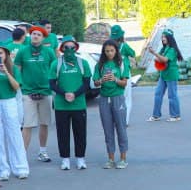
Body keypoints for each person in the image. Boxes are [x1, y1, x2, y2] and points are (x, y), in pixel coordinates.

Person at [0, 44, 29, 181]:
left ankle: (20, 168)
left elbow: (16, 87)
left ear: (6, 55)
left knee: (14, 133)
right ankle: (2, 169)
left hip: (9, 101)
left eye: (1, 53)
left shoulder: (13, 68)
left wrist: (6, 72)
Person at [16, 26, 57, 160]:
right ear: (30, 35)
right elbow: (17, 71)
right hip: (28, 93)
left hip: (46, 92)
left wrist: (52, 87)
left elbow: (54, 70)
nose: (35, 36)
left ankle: (42, 151)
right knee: (27, 124)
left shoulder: (49, 52)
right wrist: (21, 86)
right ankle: (22, 155)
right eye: (33, 34)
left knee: (44, 123)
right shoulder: (22, 51)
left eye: (39, 34)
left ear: (43, 37)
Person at [52, 36, 92, 170]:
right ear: (62, 48)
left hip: (78, 104)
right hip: (61, 105)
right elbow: (52, 83)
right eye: (66, 47)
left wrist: (75, 94)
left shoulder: (82, 63)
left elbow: (87, 83)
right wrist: (65, 94)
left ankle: (80, 158)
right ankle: (65, 159)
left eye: (72, 47)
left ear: (76, 48)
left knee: (80, 132)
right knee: (62, 133)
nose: (69, 50)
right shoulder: (56, 63)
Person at [94, 40, 131, 168]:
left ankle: (123, 158)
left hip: (118, 98)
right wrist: (101, 80)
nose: (109, 53)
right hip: (104, 99)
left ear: (116, 50)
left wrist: (115, 79)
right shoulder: (100, 65)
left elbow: (124, 83)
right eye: (107, 51)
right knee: (107, 129)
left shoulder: (121, 63)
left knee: (121, 128)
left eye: (112, 50)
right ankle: (110, 159)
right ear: (104, 52)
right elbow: (95, 83)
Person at [146, 28, 184, 122]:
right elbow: (158, 59)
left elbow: (164, 60)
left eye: (165, 37)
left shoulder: (172, 49)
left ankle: (175, 116)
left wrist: (155, 54)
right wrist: (158, 57)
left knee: (172, 95)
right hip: (163, 75)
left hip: (171, 75)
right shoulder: (163, 48)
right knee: (158, 94)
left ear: (170, 38)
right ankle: (156, 115)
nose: (163, 38)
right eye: (162, 37)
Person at [109, 24, 138, 122]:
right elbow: (133, 53)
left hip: (113, 74)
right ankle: (125, 120)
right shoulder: (124, 46)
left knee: (116, 96)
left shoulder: (109, 47)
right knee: (127, 98)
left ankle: (116, 118)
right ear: (121, 36)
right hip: (125, 74)